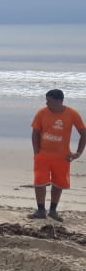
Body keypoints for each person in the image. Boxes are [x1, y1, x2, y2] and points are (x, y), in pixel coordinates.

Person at [30, 89, 86, 222]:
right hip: (43, 155)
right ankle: (41, 210)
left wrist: (78, 153)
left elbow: (83, 133)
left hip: (62, 157)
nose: (46, 103)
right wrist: (36, 151)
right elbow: (35, 133)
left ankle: (53, 211)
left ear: (58, 101)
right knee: (39, 183)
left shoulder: (72, 114)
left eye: (49, 100)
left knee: (58, 184)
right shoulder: (42, 113)